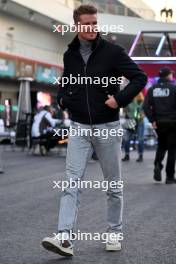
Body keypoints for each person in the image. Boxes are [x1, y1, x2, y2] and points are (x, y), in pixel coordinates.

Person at [42, 4, 147, 256]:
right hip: (78, 127)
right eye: (86, 24)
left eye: (94, 23)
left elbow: (139, 77)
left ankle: (114, 232)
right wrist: (62, 99)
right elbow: (66, 80)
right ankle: (64, 238)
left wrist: (119, 100)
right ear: (77, 26)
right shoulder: (70, 54)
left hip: (107, 127)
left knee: (112, 185)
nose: (91, 28)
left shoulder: (112, 52)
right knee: (71, 183)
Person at [143, 67, 176, 184]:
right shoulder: (173, 89)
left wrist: (152, 120)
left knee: (162, 146)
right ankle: (170, 177)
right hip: (173, 123)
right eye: (171, 74)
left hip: (159, 123)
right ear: (168, 76)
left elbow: (145, 107)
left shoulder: (152, 89)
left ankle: (157, 164)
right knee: (172, 150)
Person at [122, 92, 145, 162]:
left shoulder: (141, 100)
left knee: (140, 139)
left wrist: (142, 114)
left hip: (139, 121)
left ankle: (140, 155)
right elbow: (124, 110)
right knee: (126, 139)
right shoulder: (128, 100)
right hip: (130, 120)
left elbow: (145, 109)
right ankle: (127, 155)